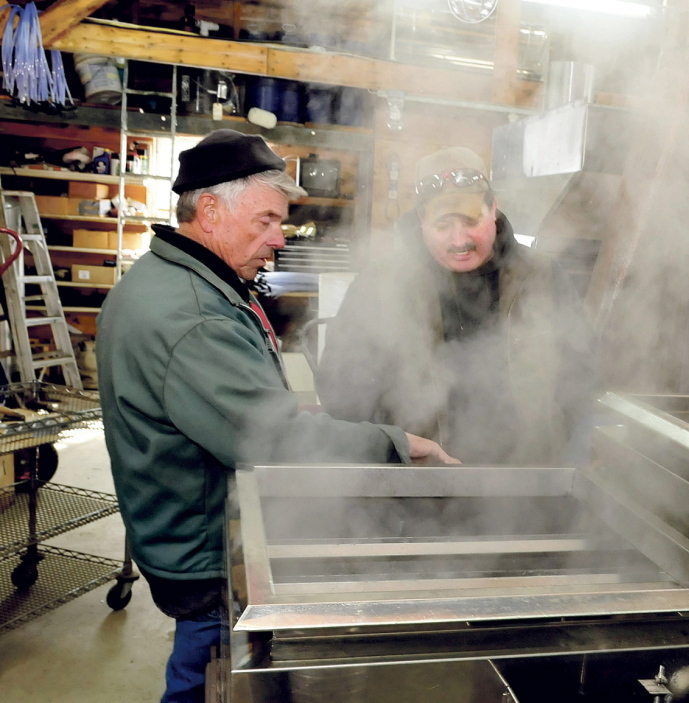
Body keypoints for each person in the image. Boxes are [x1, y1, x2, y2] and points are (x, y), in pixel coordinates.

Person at [96, 129, 455, 703]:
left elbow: (228, 407)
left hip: (182, 534)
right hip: (205, 553)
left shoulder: (179, 282)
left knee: (204, 670)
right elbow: (273, 441)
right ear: (209, 210)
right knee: (208, 677)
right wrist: (396, 443)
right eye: (265, 220)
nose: (279, 238)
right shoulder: (193, 315)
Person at [315, 146, 593, 466]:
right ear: (421, 219)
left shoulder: (542, 277)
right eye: (444, 225)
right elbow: (341, 387)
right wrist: (392, 446)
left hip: (521, 483)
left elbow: (580, 372)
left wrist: (557, 449)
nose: (459, 239)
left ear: (493, 209)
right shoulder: (381, 285)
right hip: (416, 486)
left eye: (471, 220)